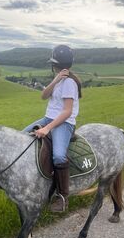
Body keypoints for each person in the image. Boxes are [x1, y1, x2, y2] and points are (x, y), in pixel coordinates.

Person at [23, 45, 82, 212]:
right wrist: (56, 80)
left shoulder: (70, 82)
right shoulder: (59, 79)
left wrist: (47, 128)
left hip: (64, 122)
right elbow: (43, 96)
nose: (53, 67)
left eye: (54, 64)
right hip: (49, 117)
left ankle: (63, 196)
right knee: (21, 136)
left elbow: (67, 111)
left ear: (58, 64)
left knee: (58, 156)